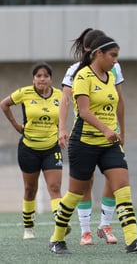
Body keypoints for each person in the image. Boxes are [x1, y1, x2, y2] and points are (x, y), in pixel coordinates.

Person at [49, 36, 137, 254]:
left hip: (109, 144)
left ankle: (132, 240)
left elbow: (117, 106)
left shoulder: (110, 76)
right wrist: (107, 130)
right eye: (113, 55)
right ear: (98, 54)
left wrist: (120, 132)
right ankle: (56, 239)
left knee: (123, 187)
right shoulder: (82, 76)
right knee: (74, 193)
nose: (115, 61)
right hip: (84, 143)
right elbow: (84, 112)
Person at [59, 28, 125, 246]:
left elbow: (120, 100)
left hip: (109, 135)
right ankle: (84, 231)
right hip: (86, 135)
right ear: (89, 49)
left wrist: (121, 129)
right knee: (83, 184)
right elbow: (66, 101)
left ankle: (105, 225)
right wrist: (62, 128)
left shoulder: (113, 67)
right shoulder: (76, 71)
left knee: (116, 178)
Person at [0, 63, 65, 239]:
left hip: (51, 147)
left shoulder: (60, 95)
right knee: (30, 188)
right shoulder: (24, 93)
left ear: (51, 79)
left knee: (55, 186)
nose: (42, 79)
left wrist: (63, 132)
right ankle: (28, 228)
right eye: (38, 76)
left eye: (45, 76)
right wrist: (15, 126)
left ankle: (61, 224)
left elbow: (68, 114)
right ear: (33, 79)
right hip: (29, 148)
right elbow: (4, 104)